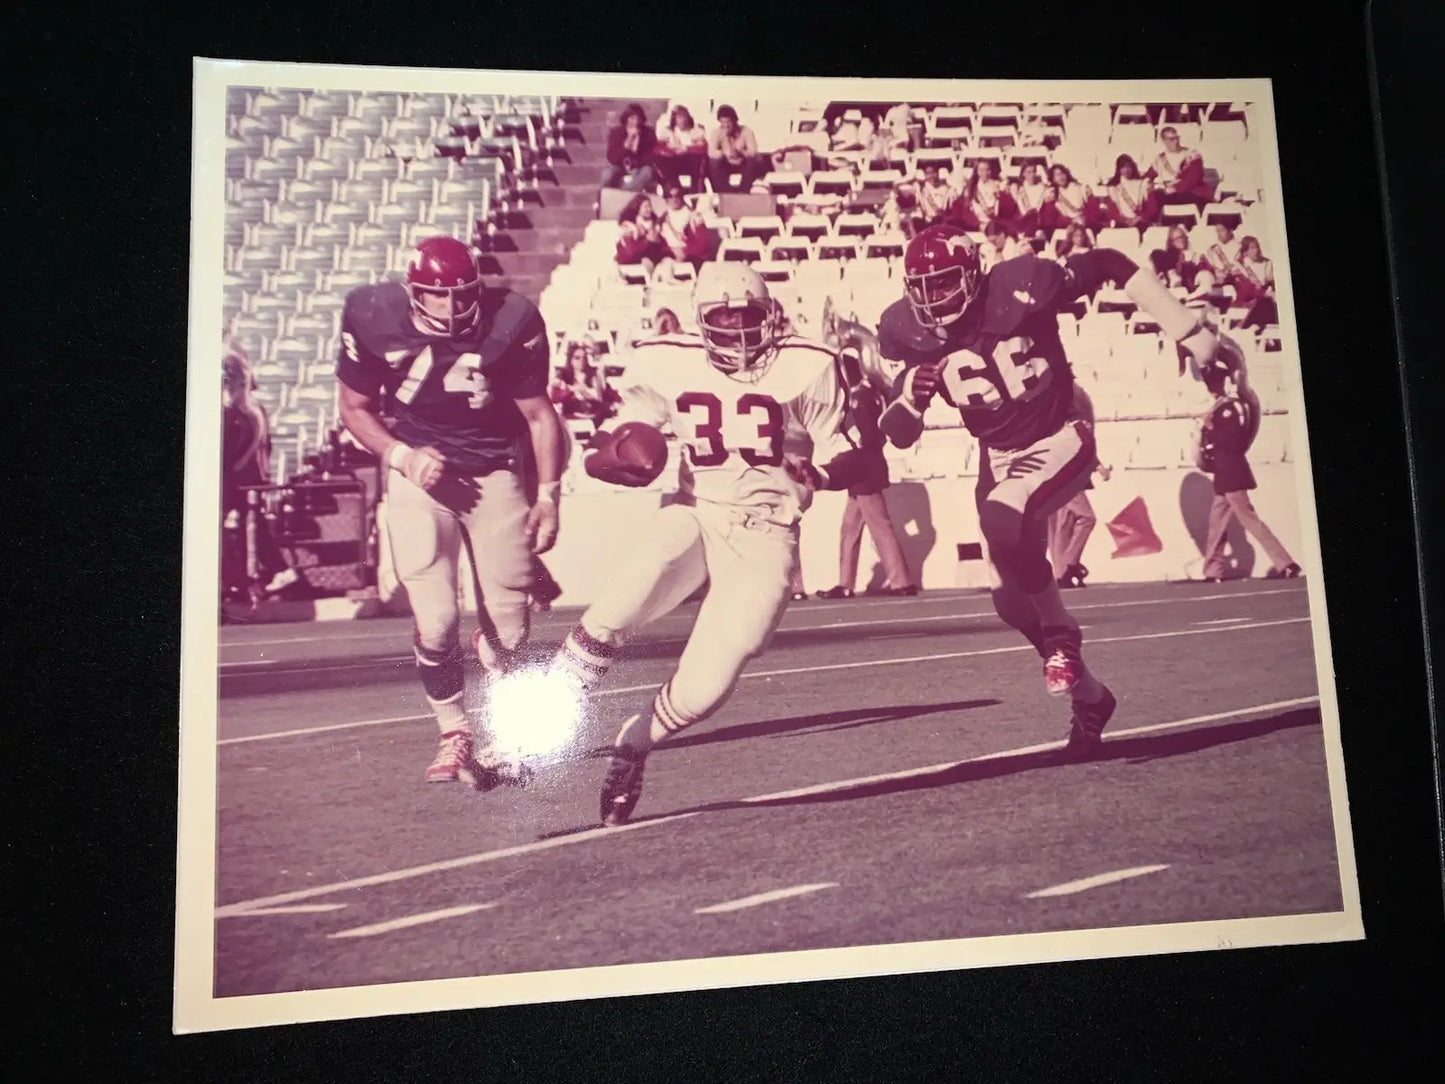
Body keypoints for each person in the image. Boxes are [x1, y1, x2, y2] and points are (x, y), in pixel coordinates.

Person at [874, 222, 1241, 759]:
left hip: (1060, 432)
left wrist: (1186, 330)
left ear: (974, 275)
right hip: (998, 457)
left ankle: (1063, 640)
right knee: (1008, 600)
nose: (934, 299)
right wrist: (908, 397)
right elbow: (899, 434)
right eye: (923, 287)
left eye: (945, 282)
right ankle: (1090, 697)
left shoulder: (1022, 284)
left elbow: (1113, 261)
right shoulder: (906, 330)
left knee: (1004, 519)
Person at [545, 263, 868, 826]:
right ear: (702, 321)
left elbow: (851, 450)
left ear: (768, 316)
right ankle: (536, 728)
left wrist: (823, 472)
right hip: (699, 512)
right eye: (724, 318)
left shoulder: (807, 366)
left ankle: (635, 742)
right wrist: (611, 453)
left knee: (709, 684)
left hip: (767, 534)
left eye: (747, 317)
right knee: (631, 588)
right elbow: (624, 426)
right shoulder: (668, 360)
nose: (739, 332)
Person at [336, 235, 567, 786]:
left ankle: (508, 735)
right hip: (421, 472)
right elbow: (354, 407)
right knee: (436, 620)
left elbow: (540, 417)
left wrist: (550, 496)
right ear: (411, 292)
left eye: (459, 296)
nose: (448, 308)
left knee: (511, 626)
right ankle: (454, 731)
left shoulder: (513, 319)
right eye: (433, 297)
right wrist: (401, 456)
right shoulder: (372, 313)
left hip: (492, 471)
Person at [1195, 354, 1301, 582]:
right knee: (1216, 524)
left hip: (1232, 474)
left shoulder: (1229, 408)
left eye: (1213, 383)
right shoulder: (1223, 407)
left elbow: (1234, 441)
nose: (1212, 388)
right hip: (1224, 476)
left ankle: (1286, 563)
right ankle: (1213, 570)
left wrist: (1211, 426)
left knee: (1250, 521)